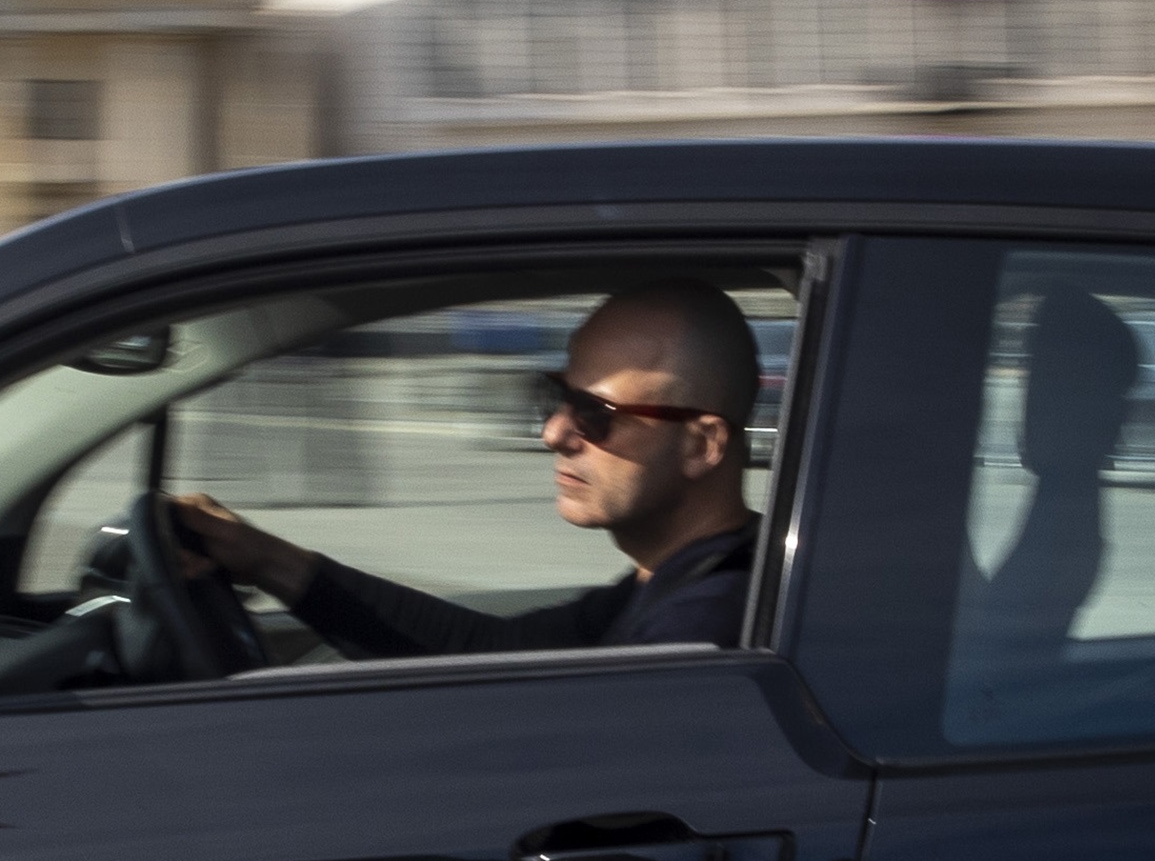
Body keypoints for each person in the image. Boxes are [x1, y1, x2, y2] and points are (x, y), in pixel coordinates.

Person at [163, 277, 763, 657]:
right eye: (554, 397)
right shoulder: (672, 581)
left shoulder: (701, 626)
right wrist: (263, 557)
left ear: (700, 445)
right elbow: (493, 648)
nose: (555, 433)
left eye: (596, 414)